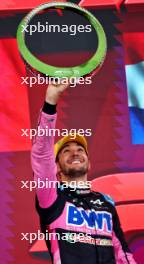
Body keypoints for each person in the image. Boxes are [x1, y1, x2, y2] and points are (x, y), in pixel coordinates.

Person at [31, 82, 137, 264]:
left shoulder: (105, 202)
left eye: (80, 149)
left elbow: (122, 251)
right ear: (56, 167)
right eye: (66, 151)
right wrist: (50, 103)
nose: (75, 153)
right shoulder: (52, 197)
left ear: (89, 164)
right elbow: (41, 155)